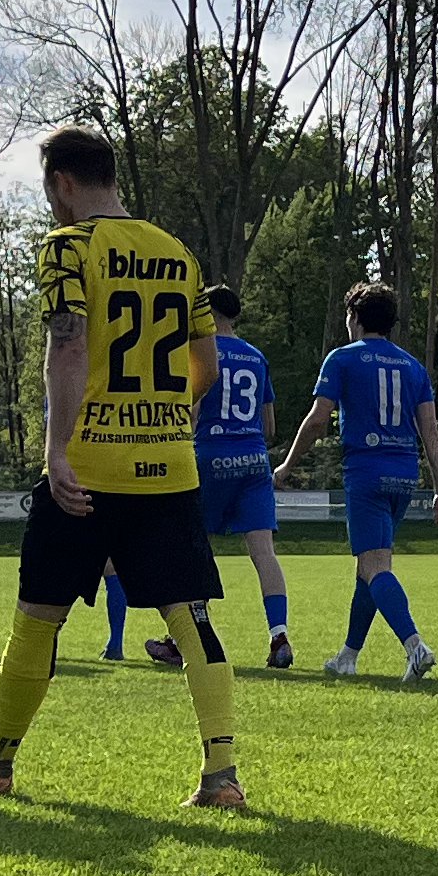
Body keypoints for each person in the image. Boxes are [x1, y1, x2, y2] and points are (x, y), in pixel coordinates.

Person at [0, 125, 243, 807]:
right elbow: (207, 366)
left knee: (39, 615)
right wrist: (165, 412)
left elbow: (67, 350)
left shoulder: (69, 247)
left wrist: (57, 450)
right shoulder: (178, 254)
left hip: (89, 469)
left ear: (63, 183)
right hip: (168, 467)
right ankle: (221, 774)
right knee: (191, 618)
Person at [283, 281, 438, 682]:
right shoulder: (413, 367)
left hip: (366, 474)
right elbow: (431, 432)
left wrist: (288, 464)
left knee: (375, 567)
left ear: (355, 318)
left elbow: (318, 419)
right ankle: (348, 656)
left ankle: (416, 647)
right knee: (370, 568)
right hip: (404, 476)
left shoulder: (342, 359)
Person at [142, 282, 293, 673]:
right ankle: (279, 635)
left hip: (210, 456)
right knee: (264, 553)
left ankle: (185, 641)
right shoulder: (256, 356)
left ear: (207, 313)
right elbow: (270, 425)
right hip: (254, 459)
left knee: (192, 549)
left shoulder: (199, 351)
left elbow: (190, 410)